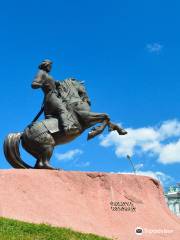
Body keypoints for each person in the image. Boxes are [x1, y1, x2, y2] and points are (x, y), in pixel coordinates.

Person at [31, 59, 79, 134]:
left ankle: (54, 133)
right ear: (46, 65)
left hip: (49, 99)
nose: (51, 68)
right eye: (50, 66)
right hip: (51, 96)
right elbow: (34, 84)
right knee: (62, 109)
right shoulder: (41, 72)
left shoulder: (48, 75)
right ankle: (68, 127)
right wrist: (43, 84)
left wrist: (57, 83)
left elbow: (53, 83)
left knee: (50, 117)